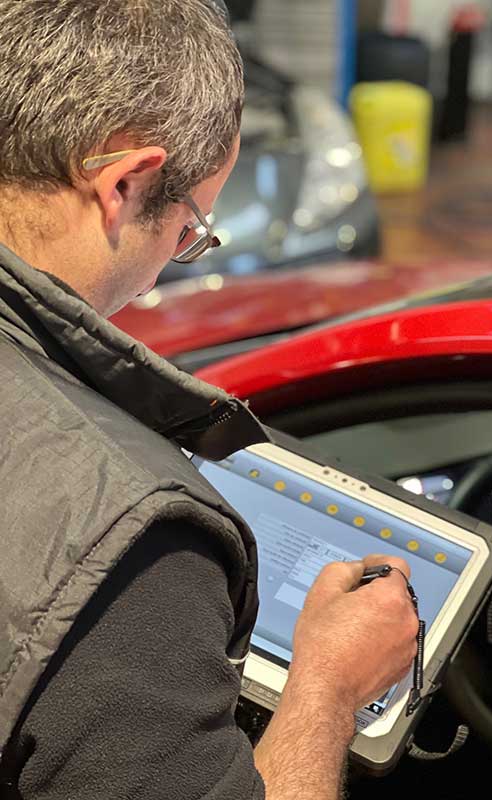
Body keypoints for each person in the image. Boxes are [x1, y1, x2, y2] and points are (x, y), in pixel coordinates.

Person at [0, 2, 419, 798]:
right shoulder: (127, 550)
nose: (176, 260)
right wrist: (327, 690)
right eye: (191, 227)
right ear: (125, 185)